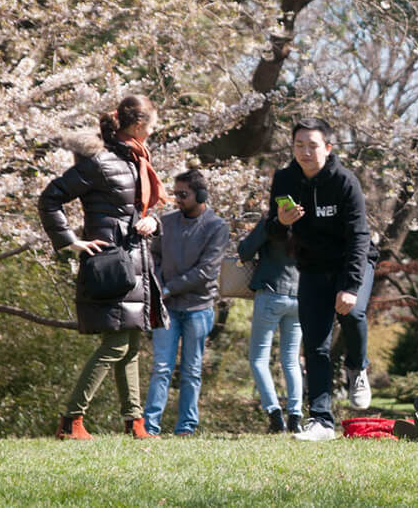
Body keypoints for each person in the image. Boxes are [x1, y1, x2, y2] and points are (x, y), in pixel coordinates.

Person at [38, 94, 167, 440]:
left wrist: (153, 222)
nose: (152, 133)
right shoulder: (101, 161)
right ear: (138, 126)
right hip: (112, 264)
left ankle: (134, 423)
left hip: (137, 260)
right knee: (115, 345)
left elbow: (138, 212)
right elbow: (50, 198)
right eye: (151, 127)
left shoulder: (135, 160)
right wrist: (69, 240)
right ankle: (71, 421)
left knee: (131, 343)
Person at [270, 118, 377, 441]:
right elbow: (272, 231)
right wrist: (280, 221)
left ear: (328, 148)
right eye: (299, 145)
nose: (305, 151)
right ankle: (321, 421)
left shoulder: (345, 182)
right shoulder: (285, 179)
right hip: (313, 267)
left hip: (352, 262)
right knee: (315, 343)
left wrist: (351, 286)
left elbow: (360, 236)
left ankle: (357, 368)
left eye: (312, 145)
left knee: (353, 312)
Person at [142, 169, 229, 437]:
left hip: (198, 309)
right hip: (167, 307)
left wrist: (168, 288)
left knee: (191, 370)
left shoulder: (217, 227)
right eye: (175, 193)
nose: (177, 199)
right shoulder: (166, 223)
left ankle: (186, 427)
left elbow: (206, 271)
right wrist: (157, 284)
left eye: (183, 194)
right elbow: (152, 256)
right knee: (161, 368)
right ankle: (149, 427)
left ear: (200, 195)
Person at [238, 193, 304, 433]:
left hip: (271, 292)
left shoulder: (270, 224)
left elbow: (244, 251)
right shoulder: (309, 227)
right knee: (291, 359)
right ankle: (296, 416)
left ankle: (275, 415)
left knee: (258, 359)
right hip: (299, 296)